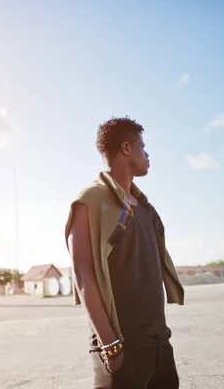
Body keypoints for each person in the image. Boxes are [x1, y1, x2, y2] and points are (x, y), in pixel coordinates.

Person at [65, 116, 185, 388]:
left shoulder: (145, 207)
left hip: (159, 344)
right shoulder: (89, 201)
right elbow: (83, 275)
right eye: (143, 147)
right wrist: (110, 346)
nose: (147, 154)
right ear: (127, 148)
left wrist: (161, 342)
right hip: (121, 346)